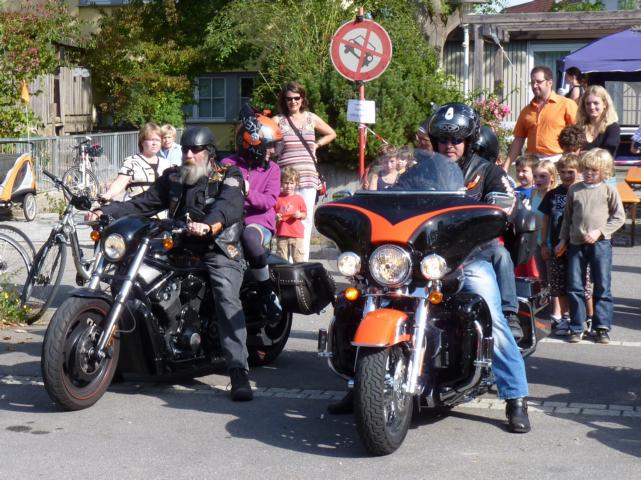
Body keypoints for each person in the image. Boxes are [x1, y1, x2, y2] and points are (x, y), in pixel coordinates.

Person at [87, 126, 254, 401]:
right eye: (185, 149)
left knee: (226, 296)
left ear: (209, 152)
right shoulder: (174, 177)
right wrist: (104, 211)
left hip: (218, 247)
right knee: (130, 275)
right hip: (179, 244)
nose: (188, 155)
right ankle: (120, 351)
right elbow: (142, 203)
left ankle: (238, 369)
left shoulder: (228, 175)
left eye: (195, 150)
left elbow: (229, 205)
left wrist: (210, 224)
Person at [428, 102, 530, 432]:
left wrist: (499, 208)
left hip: (470, 259)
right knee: (370, 301)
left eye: (456, 139)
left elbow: (507, 201)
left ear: (469, 141)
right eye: (443, 139)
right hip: (424, 261)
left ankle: (515, 397)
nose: (449, 145)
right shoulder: (423, 171)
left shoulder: (487, 172)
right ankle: (360, 385)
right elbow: (395, 195)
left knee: (494, 321)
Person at [556, 148, 625, 344]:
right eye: (586, 169)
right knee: (575, 286)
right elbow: (567, 218)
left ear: (604, 171)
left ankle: (601, 327)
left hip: (601, 244)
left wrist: (599, 232)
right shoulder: (574, 189)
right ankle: (577, 326)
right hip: (576, 244)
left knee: (602, 285)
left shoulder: (609, 190)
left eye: (594, 170)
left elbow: (619, 217)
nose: (588, 173)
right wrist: (562, 239)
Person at [221, 104, 283, 319]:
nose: (273, 151)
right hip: (230, 219)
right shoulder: (228, 164)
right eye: (269, 146)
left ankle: (267, 291)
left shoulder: (273, 170)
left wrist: (247, 192)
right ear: (253, 144)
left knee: (249, 237)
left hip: (258, 222)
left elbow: (268, 202)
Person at [274, 81, 336, 261]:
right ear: (284, 100)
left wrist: (317, 144)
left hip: (308, 175)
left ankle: (302, 260)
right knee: (284, 216)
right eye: (289, 99)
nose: (293, 102)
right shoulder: (278, 120)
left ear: (302, 99)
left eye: (296, 98)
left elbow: (331, 133)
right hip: (286, 177)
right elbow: (265, 139)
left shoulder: (311, 118)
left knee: (305, 218)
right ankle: (286, 261)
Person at [506, 66, 578, 171]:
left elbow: (578, 135)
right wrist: (506, 166)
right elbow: (519, 139)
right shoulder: (526, 110)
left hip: (557, 162)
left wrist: (571, 161)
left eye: (539, 82)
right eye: (532, 82)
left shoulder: (566, 104)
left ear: (549, 83)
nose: (534, 86)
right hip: (532, 163)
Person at [539, 154, 580, 334]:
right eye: (562, 172)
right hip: (557, 247)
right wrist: (544, 244)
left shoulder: (582, 192)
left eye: (570, 172)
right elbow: (546, 221)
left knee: (579, 284)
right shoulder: (552, 195)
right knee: (559, 284)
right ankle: (565, 317)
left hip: (579, 246)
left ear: (578, 172)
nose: (566, 176)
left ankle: (584, 318)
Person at [100, 123, 170, 202]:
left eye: (157, 140)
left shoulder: (166, 164)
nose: (154, 143)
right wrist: (109, 194)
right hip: (135, 206)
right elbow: (120, 182)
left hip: (160, 208)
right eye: (151, 139)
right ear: (142, 142)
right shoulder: (131, 162)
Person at [576, 85, 621, 158]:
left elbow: (608, 153)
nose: (592, 107)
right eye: (588, 103)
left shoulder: (612, 127)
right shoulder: (578, 127)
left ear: (605, 104)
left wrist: (586, 154)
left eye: (596, 103)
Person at [275, 167, 307, 263]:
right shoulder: (277, 198)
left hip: (297, 234)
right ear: (281, 183)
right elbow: (272, 214)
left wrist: (299, 214)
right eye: (286, 183)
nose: (288, 186)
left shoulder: (299, 198)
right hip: (282, 234)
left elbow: (305, 214)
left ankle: (299, 274)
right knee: (282, 261)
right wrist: (276, 217)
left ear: (296, 183)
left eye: (291, 183)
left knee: (298, 260)